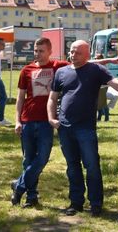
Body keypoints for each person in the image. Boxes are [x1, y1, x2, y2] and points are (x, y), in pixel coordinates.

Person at [47, 40, 118, 217]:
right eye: (71, 52)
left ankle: (96, 203)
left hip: (86, 129)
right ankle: (76, 202)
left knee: (91, 166)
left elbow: (116, 84)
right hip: (65, 128)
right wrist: (52, 118)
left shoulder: (95, 70)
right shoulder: (61, 72)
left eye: (78, 53)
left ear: (88, 55)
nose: (73, 55)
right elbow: (52, 98)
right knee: (72, 166)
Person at [10, 37, 69, 208]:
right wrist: (17, 121)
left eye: (41, 51)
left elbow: (81, 62)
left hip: (46, 122)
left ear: (50, 51)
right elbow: (20, 98)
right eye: (35, 51)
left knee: (42, 158)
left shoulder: (58, 67)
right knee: (28, 160)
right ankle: (31, 197)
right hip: (27, 121)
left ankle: (19, 186)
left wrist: (109, 60)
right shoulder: (26, 70)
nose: (37, 54)